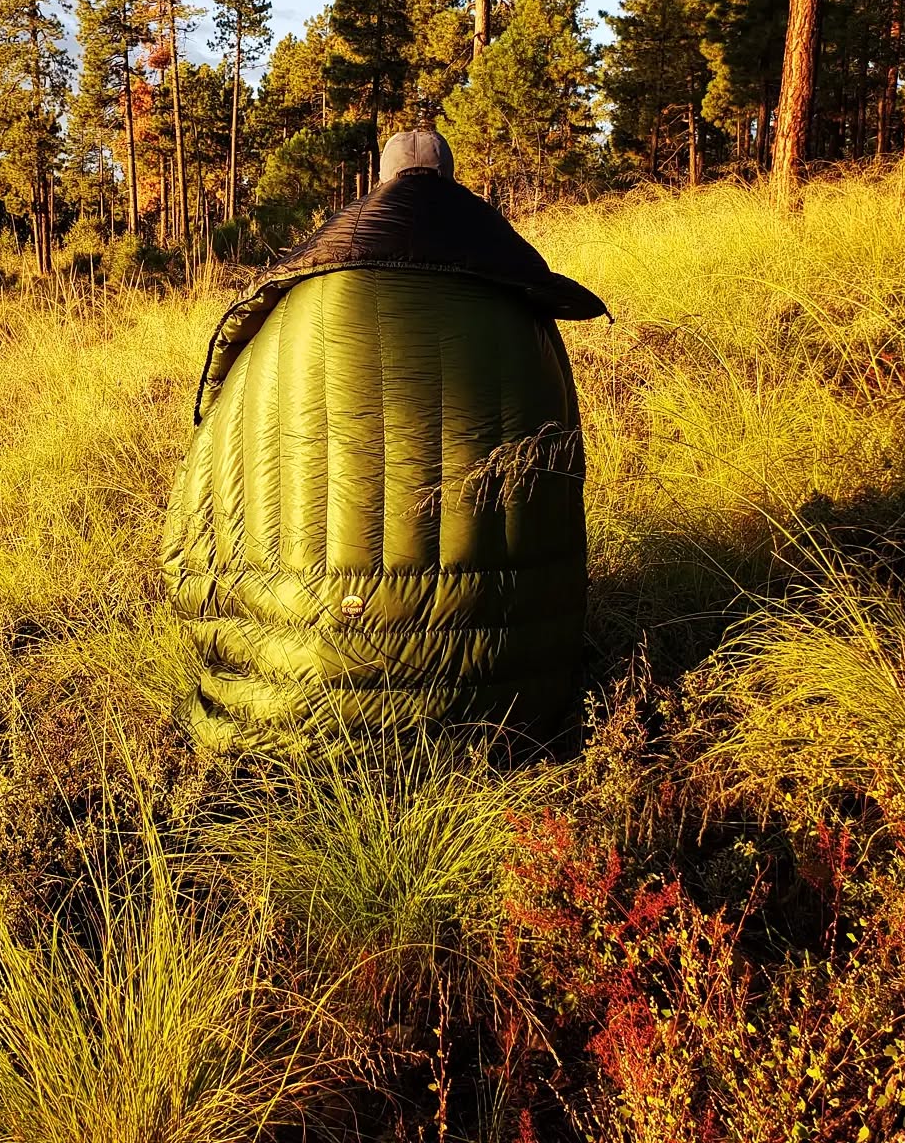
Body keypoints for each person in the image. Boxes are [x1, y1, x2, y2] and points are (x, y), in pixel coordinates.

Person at [162, 129, 609, 752]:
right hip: (506, 707)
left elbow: (202, 490)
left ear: (381, 182)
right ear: (451, 182)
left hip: (295, 682)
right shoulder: (521, 312)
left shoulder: (295, 305)